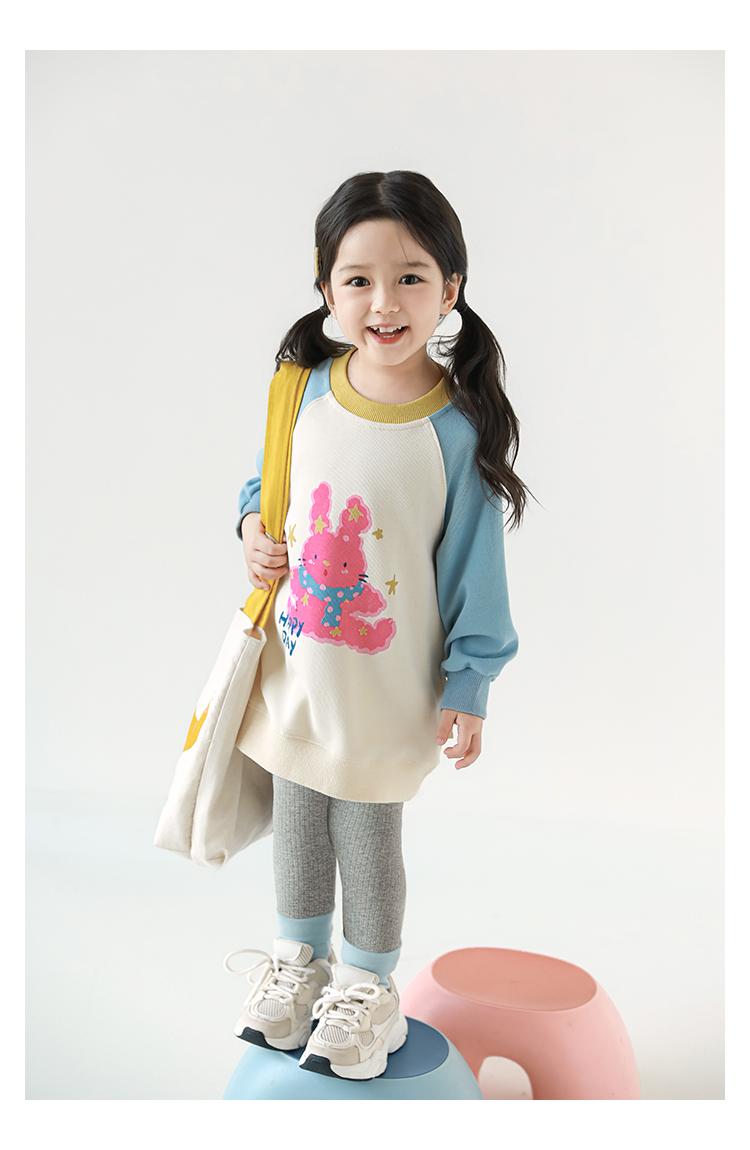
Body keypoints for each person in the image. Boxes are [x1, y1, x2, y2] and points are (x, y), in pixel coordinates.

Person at [222, 170, 531, 1082]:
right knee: (298, 827)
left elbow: (476, 570)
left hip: (387, 693)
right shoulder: (303, 390)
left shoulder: (456, 431)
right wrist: (252, 530)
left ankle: (367, 988)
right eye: (358, 279)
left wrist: (470, 682)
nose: (384, 302)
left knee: (366, 838)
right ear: (326, 289)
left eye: (409, 277)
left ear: (451, 289)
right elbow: (268, 487)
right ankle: (298, 968)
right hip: (296, 675)